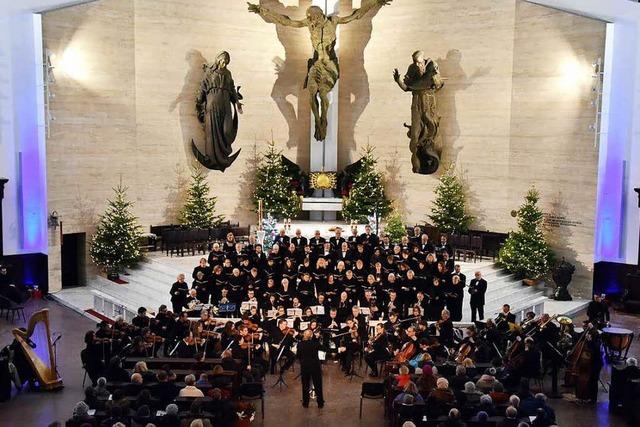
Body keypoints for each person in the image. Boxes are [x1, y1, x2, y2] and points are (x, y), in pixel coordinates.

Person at [297, 329, 325, 408]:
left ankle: (305, 403)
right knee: (318, 385)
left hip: (305, 367)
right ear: (312, 336)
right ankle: (320, 403)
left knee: (305, 385)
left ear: (304, 335)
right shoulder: (315, 343)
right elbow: (324, 348)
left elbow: (298, 356)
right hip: (315, 366)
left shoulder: (300, 344)